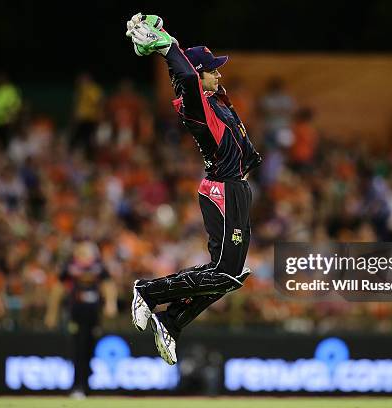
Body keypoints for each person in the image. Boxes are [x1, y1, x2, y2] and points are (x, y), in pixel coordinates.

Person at [126, 13, 262, 365]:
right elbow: (186, 75)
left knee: (232, 277)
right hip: (222, 187)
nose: (220, 74)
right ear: (200, 76)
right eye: (213, 70)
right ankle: (148, 291)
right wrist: (168, 45)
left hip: (237, 188)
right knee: (224, 271)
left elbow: (248, 153)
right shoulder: (196, 103)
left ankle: (171, 322)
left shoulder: (217, 103)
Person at [44, 240, 117, 397]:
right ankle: (78, 386)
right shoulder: (70, 268)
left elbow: (108, 285)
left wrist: (111, 303)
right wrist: (52, 313)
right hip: (76, 316)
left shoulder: (98, 267)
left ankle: (86, 385)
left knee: (90, 350)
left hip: (93, 317)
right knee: (78, 350)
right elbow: (58, 289)